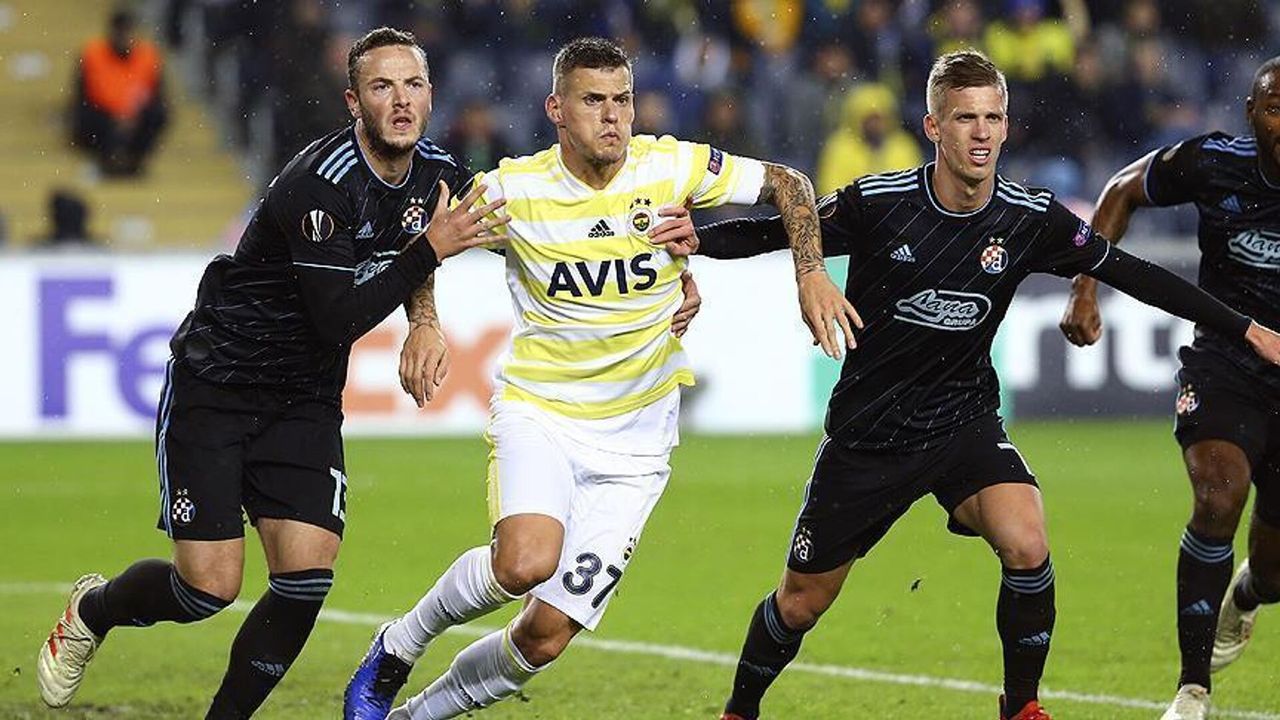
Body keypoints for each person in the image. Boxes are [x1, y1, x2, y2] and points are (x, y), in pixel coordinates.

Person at [671, 50, 1280, 720]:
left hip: (963, 421)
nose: (982, 132)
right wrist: (700, 239)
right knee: (800, 602)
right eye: (965, 119)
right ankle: (739, 709)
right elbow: (776, 231)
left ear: (1007, 125)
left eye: (993, 117)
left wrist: (1245, 327)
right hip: (871, 433)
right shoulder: (879, 203)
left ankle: (1021, 706)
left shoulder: (1030, 218)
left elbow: (1133, 272)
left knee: (1027, 542)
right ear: (934, 127)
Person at [342, 36, 858, 720]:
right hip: (544, 413)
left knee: (545, 636)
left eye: (623, 100)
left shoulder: (669, 167)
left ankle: (417, 717)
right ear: (556, 109)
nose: (613, 117)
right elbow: (425, 231)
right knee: (523, 562)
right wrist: (425, 322)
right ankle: (397, 648)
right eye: (593, 101)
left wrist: (809, 272)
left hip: (638, 445)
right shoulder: (515, 190)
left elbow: (789, 183)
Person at [37, 28, 508, 718]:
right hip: (219, 382)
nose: (401, 100)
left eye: (413, 84)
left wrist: (426, 317)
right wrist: (430, 252)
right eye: (382, 86)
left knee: (305, 577)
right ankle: (94, 610)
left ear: (432, 95)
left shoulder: (436, 168)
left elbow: (444, 232)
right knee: (207, 588)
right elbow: (338, 317)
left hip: (304, 397)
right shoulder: (319, 185)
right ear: (354, 102)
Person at [1059, 55, 1280, 720]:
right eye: (1276, 108)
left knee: (1273, 573)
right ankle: (1192, 690)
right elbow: (1122, 189)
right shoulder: (1212, 163)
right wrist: (1085, 286)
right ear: (1251, 113)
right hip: (1226, 362)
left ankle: (1248, 593)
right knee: (1218, 493)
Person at [71, 8, 169, 176]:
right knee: (87, 116)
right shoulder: (93, 53)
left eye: (128, 32)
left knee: (157, 114)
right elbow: (83, 95)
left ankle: (134, 159)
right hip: (103, 118)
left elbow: (156, 95)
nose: (124, 37)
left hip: (136, 119)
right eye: (121, 32)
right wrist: (115, 117)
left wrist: (131, 116)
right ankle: (108, 160)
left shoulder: (148, 55)